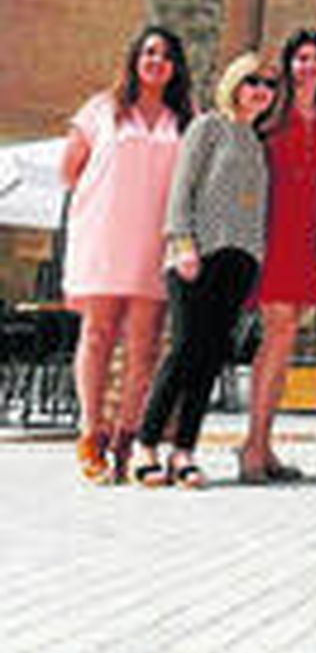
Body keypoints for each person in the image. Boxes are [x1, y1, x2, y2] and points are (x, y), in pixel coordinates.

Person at [131, 53, 276, 489]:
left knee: (211, 357)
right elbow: (183, 188)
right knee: (184, 351)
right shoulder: (208, 127)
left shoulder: (256, 141)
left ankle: (184, 451)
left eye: (269, 85)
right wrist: (182, 243)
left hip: (239, 259)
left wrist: (256, 255)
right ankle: (146, 444)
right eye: (253, 81)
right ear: (234, 83)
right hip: (198, 253)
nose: (262, 91)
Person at [59, 26, 192, 484]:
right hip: (104, 234)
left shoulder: (185, 117)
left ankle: (127, 435)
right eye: (149, 52)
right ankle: (90, 432)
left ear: (176, 67)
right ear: (135, 58)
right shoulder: (101, 109)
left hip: (156, 239)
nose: (157, 61)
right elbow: (70, 169)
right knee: (97, 333)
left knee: (144, 343)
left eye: (166, 55)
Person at [240, 29, 316, 484]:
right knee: (277, 335)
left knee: (285, 342)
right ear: (288, 65)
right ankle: (253, 446)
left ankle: (263, 444)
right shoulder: (268, 117)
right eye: (301, 58)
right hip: (272, 234)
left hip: (310, 238)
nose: (308, 66)